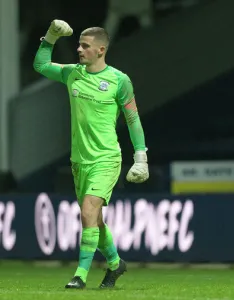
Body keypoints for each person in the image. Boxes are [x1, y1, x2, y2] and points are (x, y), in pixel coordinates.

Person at [33, 20, 149, 289]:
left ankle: (80, 275)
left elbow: (133, 120)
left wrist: (140, 157)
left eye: (85, 46)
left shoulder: (119, 81)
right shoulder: (73, 73)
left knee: (87, 212)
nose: (79, 50)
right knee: (94, 220)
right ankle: (115, 263)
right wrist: (50, 37)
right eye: (78, 44)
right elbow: (40, 66)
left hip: (107, 159)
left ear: (101, 50)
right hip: (79, 161)